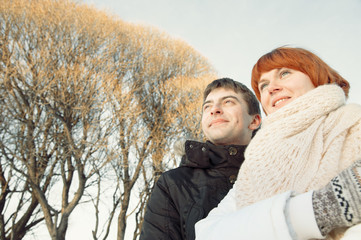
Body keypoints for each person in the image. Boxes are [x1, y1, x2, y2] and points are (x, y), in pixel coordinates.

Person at [195, 47, 361, 240]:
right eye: (264, 85)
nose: (272, 88)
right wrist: (319, 209)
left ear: (316, 77)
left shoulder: (353, 122)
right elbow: (208, 233)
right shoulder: (259, 156)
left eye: (284, 73)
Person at [139, 78, 262, 240]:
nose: (214, 110)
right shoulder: (173, 184)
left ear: (254, 121)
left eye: (228, 102)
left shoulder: (279, 172)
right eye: (207, 106)